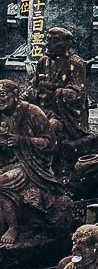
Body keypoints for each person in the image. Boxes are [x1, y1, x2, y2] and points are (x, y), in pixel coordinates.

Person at [0, 79, 70, 250]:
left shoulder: (32, 112)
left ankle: (13, 227)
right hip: (6, 161)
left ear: (15, 95)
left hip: (29, 164)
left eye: (2, 95)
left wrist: (22, 141)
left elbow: (49, 142)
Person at [23, 28, 98, 176]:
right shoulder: (42, 62)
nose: (49, 44)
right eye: (48, 40)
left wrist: (56, 92)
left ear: (67, 44)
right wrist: (25, 97)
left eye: (55, 41)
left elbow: (77, 94)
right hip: (41, 108)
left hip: (63, 115)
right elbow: (32, 87)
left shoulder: (75, 63)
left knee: (50, 127)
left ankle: (46, 166)